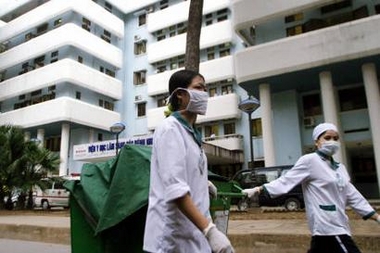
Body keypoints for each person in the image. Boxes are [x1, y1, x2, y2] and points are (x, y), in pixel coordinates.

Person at [243, 122, 380, 253]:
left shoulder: (340, 168)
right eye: (327, 138)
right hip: (328, 227)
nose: (332, 141)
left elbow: (353, 195)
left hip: (339, 224)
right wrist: (258, 189)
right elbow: (286, 180)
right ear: (316, 141)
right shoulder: (310, 161)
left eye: (335, 138)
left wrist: (376, 217)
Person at [143, 69, 234, 253]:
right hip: (170, 239)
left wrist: (202, 182)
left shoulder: (190, 133)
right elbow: (175, 189)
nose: (205, 94)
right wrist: (210, 231)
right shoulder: (170, 129)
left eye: (205, 89)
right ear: (180, 96)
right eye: (198, 88)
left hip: (191, 235)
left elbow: (185, 169)